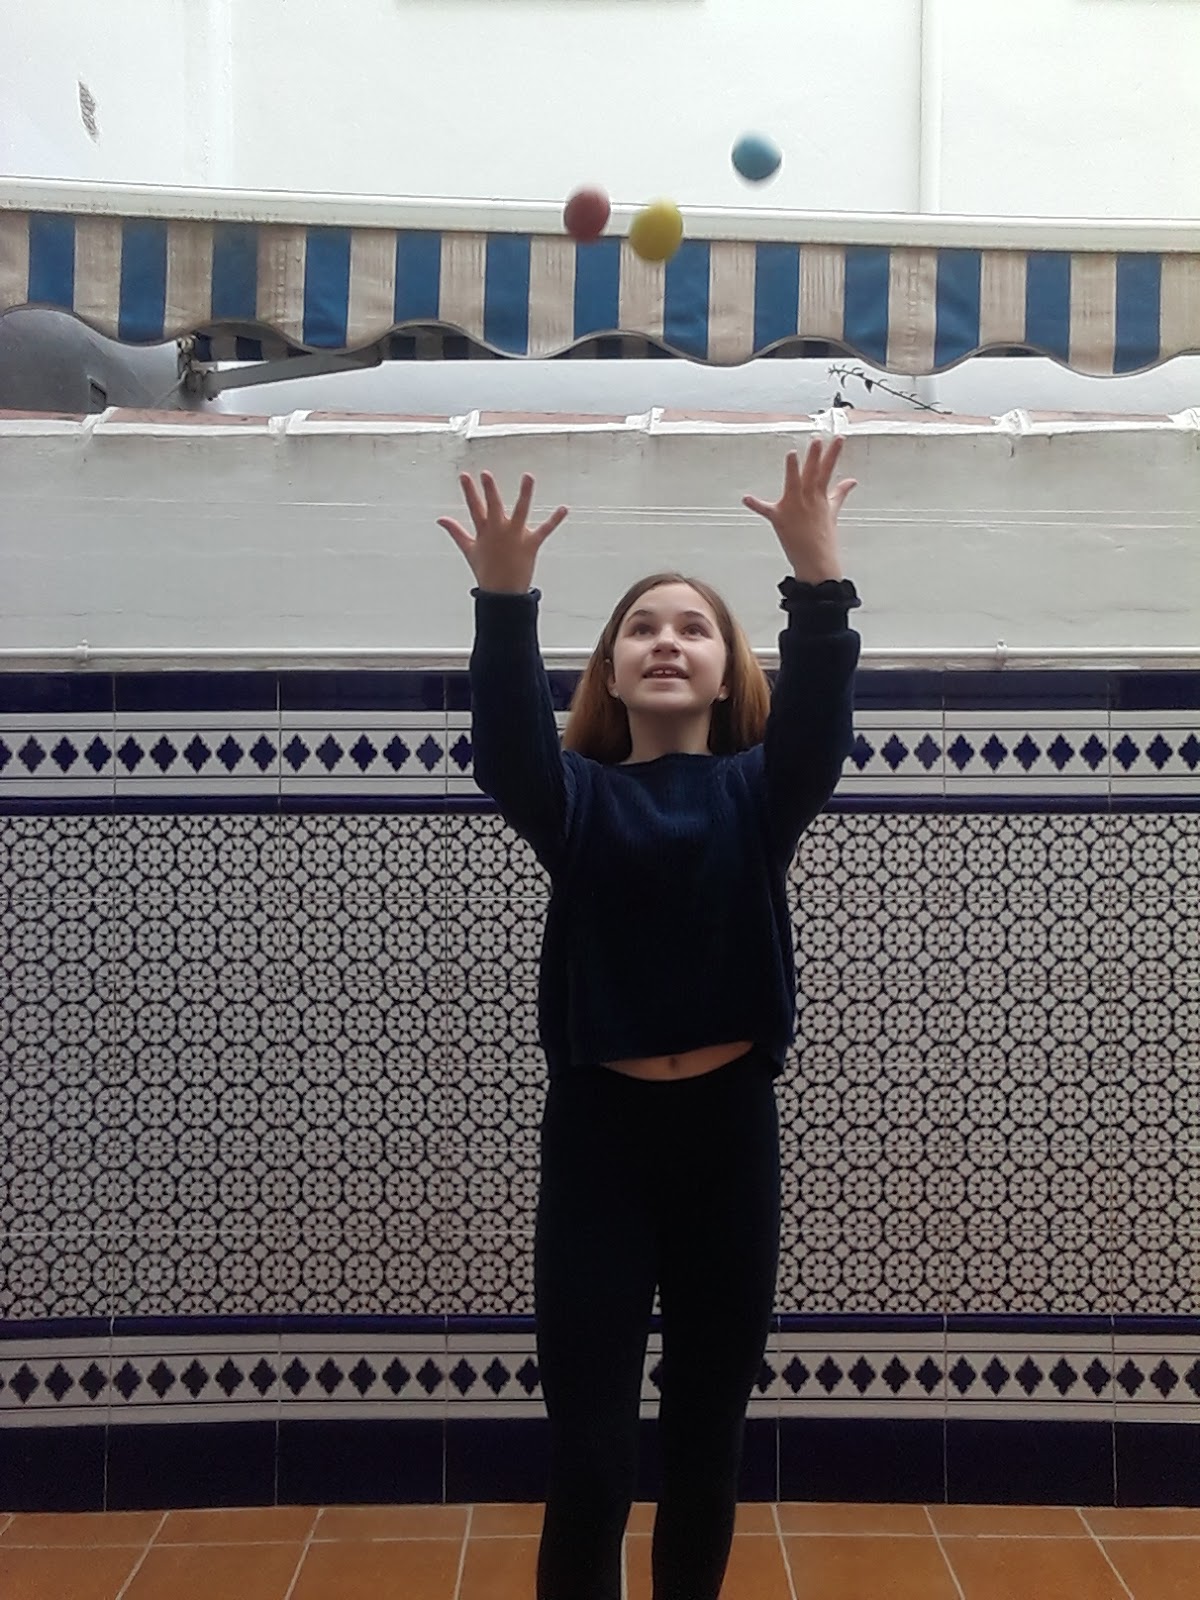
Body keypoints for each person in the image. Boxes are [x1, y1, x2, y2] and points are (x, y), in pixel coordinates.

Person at [437, 439, 862, 1600]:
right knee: (589, 1458)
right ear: (611, 676)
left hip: (729, 1140)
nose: (666, 640)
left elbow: (818, 732)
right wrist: (504, 600)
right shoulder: (574, 801)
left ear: (727, 675)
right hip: (599, 1147)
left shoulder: (758, 793)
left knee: (705, 1446)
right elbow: (508, 752)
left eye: (693, 628)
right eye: (641, 628)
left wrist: (817, 578)